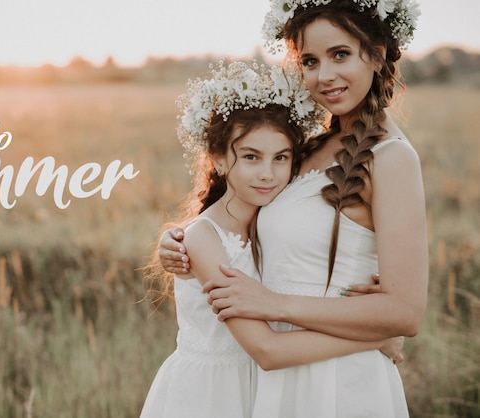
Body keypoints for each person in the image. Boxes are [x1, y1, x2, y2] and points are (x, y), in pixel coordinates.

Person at [157, 1, 428, 416]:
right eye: (310, 61)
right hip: (281, 370)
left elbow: (405, 313)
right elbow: (247, 214)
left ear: (376, 53)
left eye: (340, 55)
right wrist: (180, 239)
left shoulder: (392, 159)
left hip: (339, 379)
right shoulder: (310, 147)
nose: (324, 76)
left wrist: (273, 304)